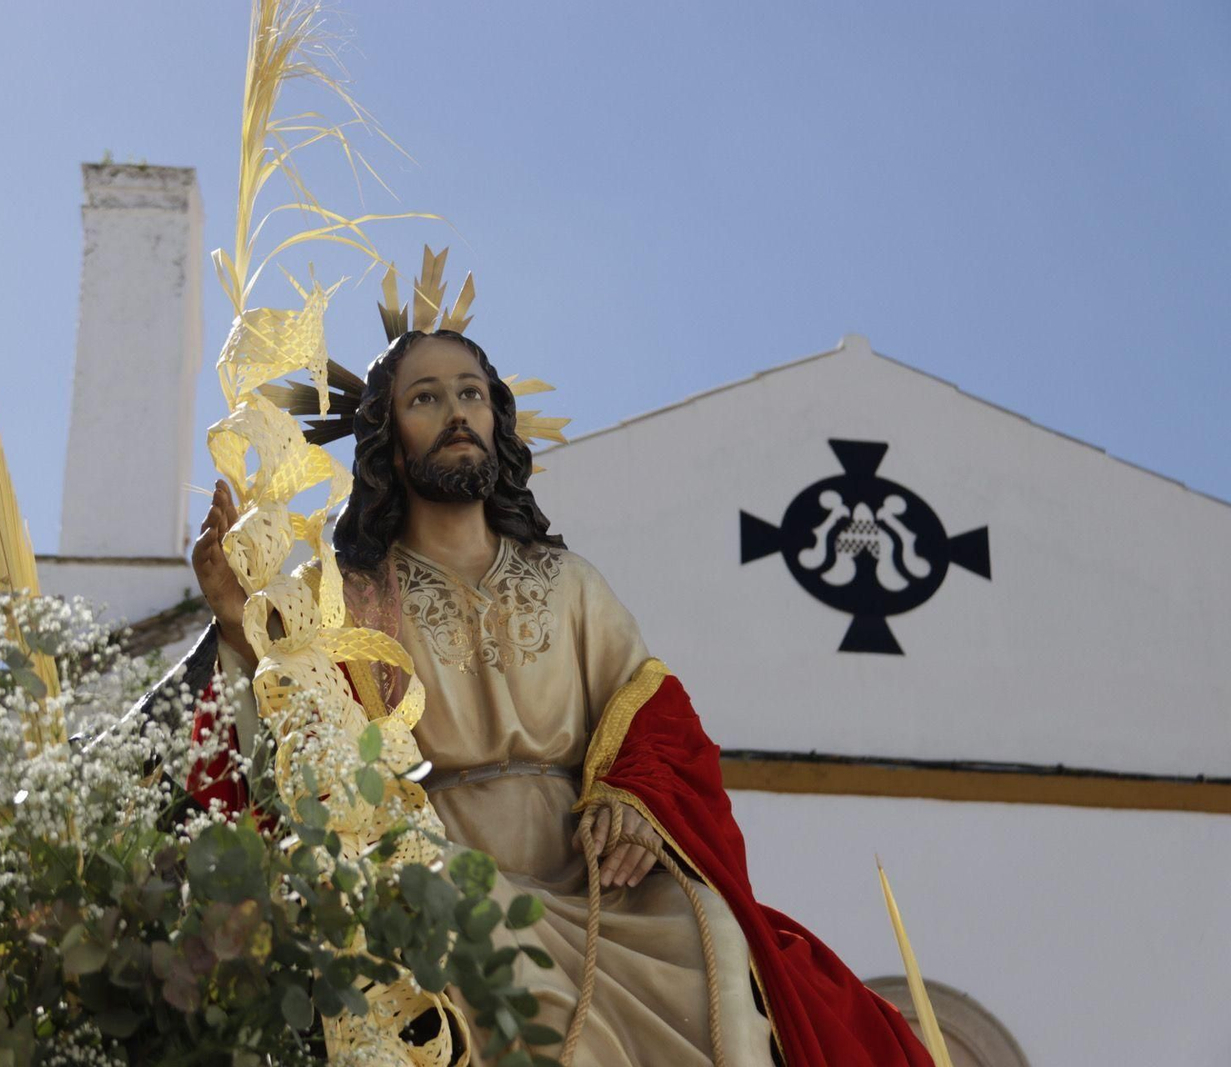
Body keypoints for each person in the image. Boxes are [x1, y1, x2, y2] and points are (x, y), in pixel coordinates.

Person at [186, 324, 933, 1066]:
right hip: (440, 855)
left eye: (471, 394)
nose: (456, 413)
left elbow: (653, 717)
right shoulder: (353, 597)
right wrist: (236, 620)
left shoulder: (567, 582)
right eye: (427, 397)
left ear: (496, 421)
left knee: (705, 927)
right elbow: (306, 729)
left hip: (588, 869)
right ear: (389, 435)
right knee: (491, 947)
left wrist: (633, 800)